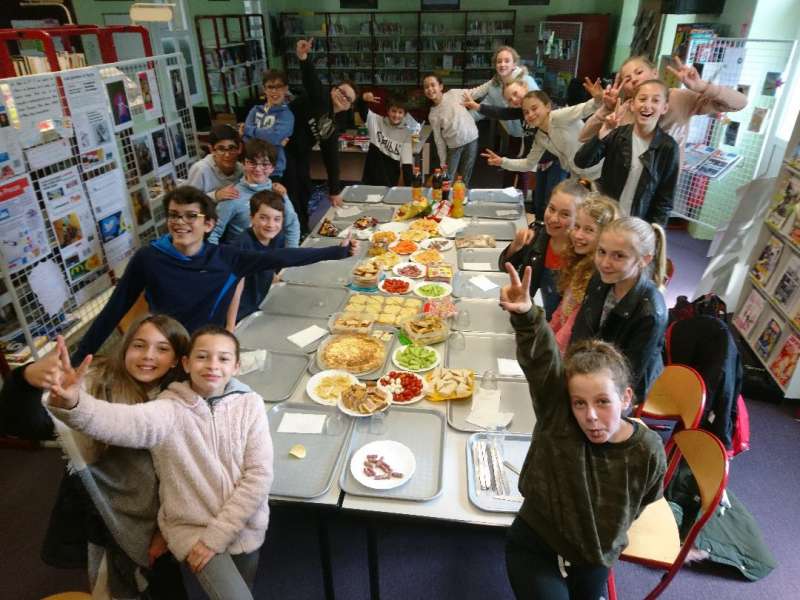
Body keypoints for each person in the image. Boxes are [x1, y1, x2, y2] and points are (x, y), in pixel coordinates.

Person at [47, 326, 273, 600]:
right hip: (195, 531)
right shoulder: (168, 409)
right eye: (202, 357)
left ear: (236, 366)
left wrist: (224, 531)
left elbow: (259, 475)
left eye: (223, 359)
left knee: (243, 584)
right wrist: (75, 404)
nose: (213, 365)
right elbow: (119, 421)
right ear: (187, 364)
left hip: (246, 524)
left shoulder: (250, 405)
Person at [498, 262, 666, 600]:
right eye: (579, 403)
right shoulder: (559, 419)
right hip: (536, 543)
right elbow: (543, 362)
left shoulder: (647, 449)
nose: (590, 416)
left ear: (627, 398)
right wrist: (528, 316)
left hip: (593, 556)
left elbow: (645, 498)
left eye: (603, 402)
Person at [1, 315, 190, 599]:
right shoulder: (93, 381)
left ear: (177, 359)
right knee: (115, 586)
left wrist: (165, 531)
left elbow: (187, 471)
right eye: (139, 345)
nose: (148, 356)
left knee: (164, 586)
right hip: (104, 518)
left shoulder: (183, 398)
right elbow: (23, 425)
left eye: (162, 349)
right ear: (125, 348)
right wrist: (27, 379)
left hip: (163, 518)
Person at [73, 186, 358, 363]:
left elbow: (282, 256)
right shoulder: (149, 258)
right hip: (168, 351)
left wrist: (337, 251)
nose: (180, 223)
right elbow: (113, 310)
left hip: (209, 350)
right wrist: (75, 361)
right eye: (174, 215)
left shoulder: (226, 258)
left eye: (190, 216)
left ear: (208, 224)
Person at [571, 217, 669, 402]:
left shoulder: (650, 312)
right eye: (602, 252)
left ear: (644, 260)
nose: (605, 263)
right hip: (588, 371)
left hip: (616, 393)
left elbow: (627, 379)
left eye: (619, 256)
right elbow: (580, 334)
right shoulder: (600, 280)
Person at [578, 55, 748, 152]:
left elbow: (740, 103)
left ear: (654, 72)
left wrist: (702, 86)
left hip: (662, 191)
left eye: (639, 72)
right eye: (628, 79)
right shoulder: (623, 109)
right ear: (625, 87)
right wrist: (606, 108)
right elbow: (584, 137)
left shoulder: (679, 98)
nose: (635, 79)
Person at [574, 80, 680, 228]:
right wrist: (603, 133)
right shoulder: (617, 134)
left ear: (664, 108)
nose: (647, 105)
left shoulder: (668, 147)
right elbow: (581, 161)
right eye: (642, 99)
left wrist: (655, 234)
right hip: (605, 218)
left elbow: (665, 201)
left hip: (637, 226)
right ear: (632, 104)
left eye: (655, 100)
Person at [284, 38, 356, 233]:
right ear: (334, 90)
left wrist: (334, 191)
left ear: (349, 107)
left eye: (348, 99)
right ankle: (296, 232)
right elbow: (311, 80)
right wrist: (303, 57)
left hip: (301, 154)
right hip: (283, 150)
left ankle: (302, 229)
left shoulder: (332, 125)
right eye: (342, 91)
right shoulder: (320, 97)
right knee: (292, 193)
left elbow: (331, 158)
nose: (343, 96)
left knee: (305, 189)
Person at [497, 179, 591, 319]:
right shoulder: (536, 234)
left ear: (580, 220)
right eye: (551, 209)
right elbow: (504, 267)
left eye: (564, 214)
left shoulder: (582, 257)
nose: (553, 218)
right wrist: (515, 246)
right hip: (531, 317)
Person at [481, 89, 603, 183]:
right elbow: (529, 164)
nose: (530, 115)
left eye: (534, 108)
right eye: (526, 112)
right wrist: (502, 162)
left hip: (599, 173)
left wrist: (598, 99)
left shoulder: (559, 116)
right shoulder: (540, 137)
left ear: (548, 106)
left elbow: (585, 108)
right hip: (580, 177)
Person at [550, 194, 619, 353]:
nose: (578, 235)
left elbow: (570, 330)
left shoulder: (598, 277)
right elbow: (561, 312)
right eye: (577, 226)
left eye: (589, 230)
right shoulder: (579, 262)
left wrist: (547, 353)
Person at [208, 138, 300, 246]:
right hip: (242, 255)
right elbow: (213, 233)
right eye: (252, 163)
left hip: (273, 253)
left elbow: (292, 225)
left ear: (273, 168)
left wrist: (291, 255)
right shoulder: (232, 195)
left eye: (265, 164)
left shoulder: (278, 191)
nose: (258, 169)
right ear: (244, 164)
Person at [225, 190, 287, 326]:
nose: (271, 224)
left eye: (277, 219)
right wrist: (230, 326)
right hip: (238, 312)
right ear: (252, 217)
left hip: (258, 303)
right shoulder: (242, 246)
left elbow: (271, 263)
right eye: (263, 218)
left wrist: (273, 277)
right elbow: (232, 290)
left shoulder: (278, 237)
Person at [424, 73, 489, 186]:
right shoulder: (433, 114)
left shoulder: (454, 94)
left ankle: (461, 200)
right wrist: (443, 162)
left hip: (471, 140)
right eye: (426, 87)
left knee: (464, 177)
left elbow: (477, 91)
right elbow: (439, 141)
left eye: (432, 85)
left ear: (441, 86)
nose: (430, 89)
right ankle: (445, 202)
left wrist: (494, 81)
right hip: (453, 146)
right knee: (447, 178)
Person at [241, 69, 294, 182]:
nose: (274, 91)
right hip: (252, 169)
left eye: (279, 86)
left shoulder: (286, 115)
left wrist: (249, 130)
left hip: (273, 171)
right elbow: (246, 140)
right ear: (264, 89)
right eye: (270, 87)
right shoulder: (255, 110)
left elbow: (275, 136)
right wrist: (274, 143)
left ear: (285, 89)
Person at [357, 92, 418, 187]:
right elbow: (362, 110)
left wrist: (408, 188)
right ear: (388, 111)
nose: (396, 115)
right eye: (393, 111)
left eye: (400, 112)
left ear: (405, 114)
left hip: (390, 182)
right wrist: (363, 99)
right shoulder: (376, 121)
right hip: (370, 179)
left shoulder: (406, 133)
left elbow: (407, 165)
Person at [186, 124, 244, 203]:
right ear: (211, 150)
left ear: (239, 148)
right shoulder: (200, 169)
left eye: (231, 148)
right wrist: (216, 195)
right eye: (221, 149)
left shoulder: (242, 169)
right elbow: (188, 202)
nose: (227, 155)